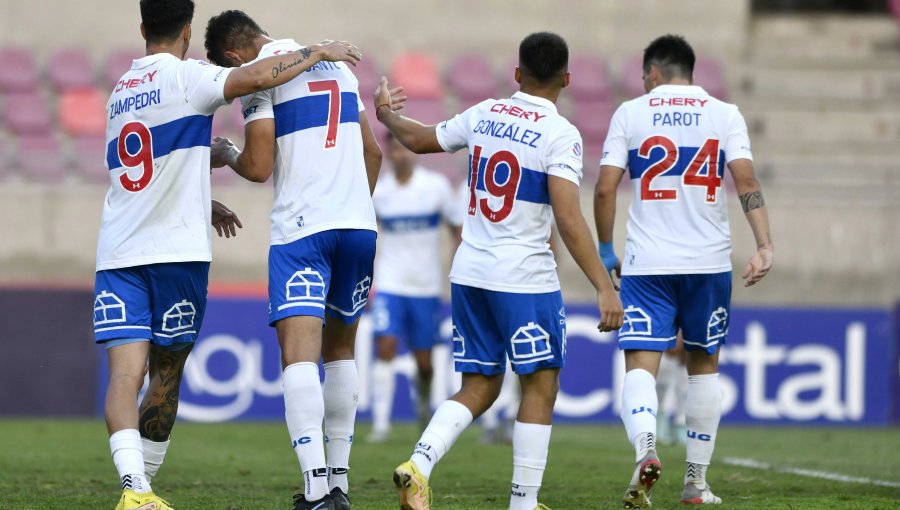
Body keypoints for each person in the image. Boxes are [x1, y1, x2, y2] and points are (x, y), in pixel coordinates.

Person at [96, 2, 362, 509]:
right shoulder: (188, 76)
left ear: (141, 28)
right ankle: (144, 491)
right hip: (176, 251)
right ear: (188, 32)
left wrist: (201, 194)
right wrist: (320, 51)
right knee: (165, 374)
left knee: (124, 375)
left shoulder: (119, 92)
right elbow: (257, 75)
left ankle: (137, 490)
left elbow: (147, 162)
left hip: (117, 248)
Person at [375, 32, 623, 510]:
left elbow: (422, 139)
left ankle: (419, 465)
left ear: (517, 74)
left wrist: (386, 114)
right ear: (567, 79)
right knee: (540, 383)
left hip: (470, 273)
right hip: (523, 276)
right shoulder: (561, 134)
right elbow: (568, 217)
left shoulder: (485, 113)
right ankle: (523, 504)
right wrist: (602, 285)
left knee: (480, 384)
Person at [204, 10, 380, 510]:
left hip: (303, 231)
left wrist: (226, 152)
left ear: (234, 56)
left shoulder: (263, 75)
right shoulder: (341, 69)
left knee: (299, 355)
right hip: (358, 226)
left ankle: (316, 489)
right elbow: (373, 153)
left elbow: (259, 167)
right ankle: (342, 485)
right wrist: (354, 207)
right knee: (341, 350)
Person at [594, 34, 773, 507]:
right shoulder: (724, 113)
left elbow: (605, 189)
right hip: (708, 263)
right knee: (703, 367)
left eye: (643, 75)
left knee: (640, 366)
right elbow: (747, 181)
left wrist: (605, 250)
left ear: (653, 72)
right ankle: (695, 483)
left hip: (647, 264)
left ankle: (646, 449)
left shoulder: (630, 113)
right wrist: (764, 244)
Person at [368, 132, 460, 442]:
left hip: (426, 285)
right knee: (385, 346)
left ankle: (422, 403)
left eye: (408, 148)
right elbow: (367, 234)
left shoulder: (435, 188)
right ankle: (381, 423)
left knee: (424, 360)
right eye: (397, 149)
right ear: (390, 153)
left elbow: (457, 229)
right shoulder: (379, 192)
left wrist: (457, 269)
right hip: (390, 281)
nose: (403, 154)